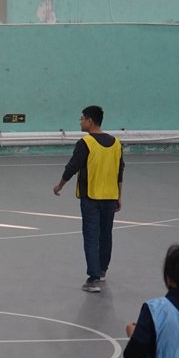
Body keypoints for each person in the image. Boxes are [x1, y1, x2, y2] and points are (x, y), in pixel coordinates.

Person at [53, 105, 124, 293]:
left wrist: (60, 185)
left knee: (91, 236)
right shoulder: (116, 143)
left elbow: (72, 166)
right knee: (106, 234)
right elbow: (120, 172)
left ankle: (93, 279)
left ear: (90, 121)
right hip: (110, 197)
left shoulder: (86, 143)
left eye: (82, 118)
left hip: (91, 198)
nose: (80, 121)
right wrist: (119, 196)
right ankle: (101, 270)